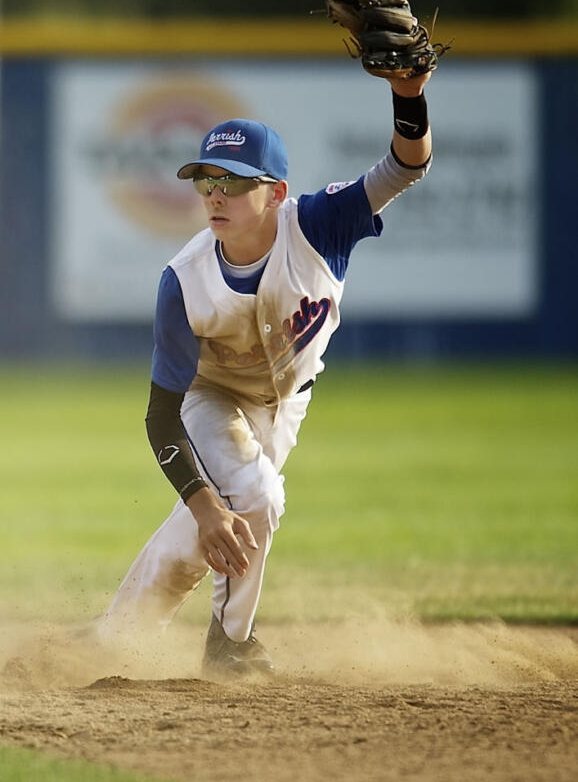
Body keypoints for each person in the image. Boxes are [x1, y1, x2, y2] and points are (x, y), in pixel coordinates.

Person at [98, 70, 435, 677]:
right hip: (210, 399)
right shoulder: (184, 281)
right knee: (254, 497)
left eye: (232, 181)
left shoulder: (321, 225)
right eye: (206, 179)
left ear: (276, 193)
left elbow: (405, 166)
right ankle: (230, 645)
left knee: (204, 539)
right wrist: (203, 503)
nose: (214, 194)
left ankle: (111, 639)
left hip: (287, 402)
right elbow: (160, 415)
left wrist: (408, 94)